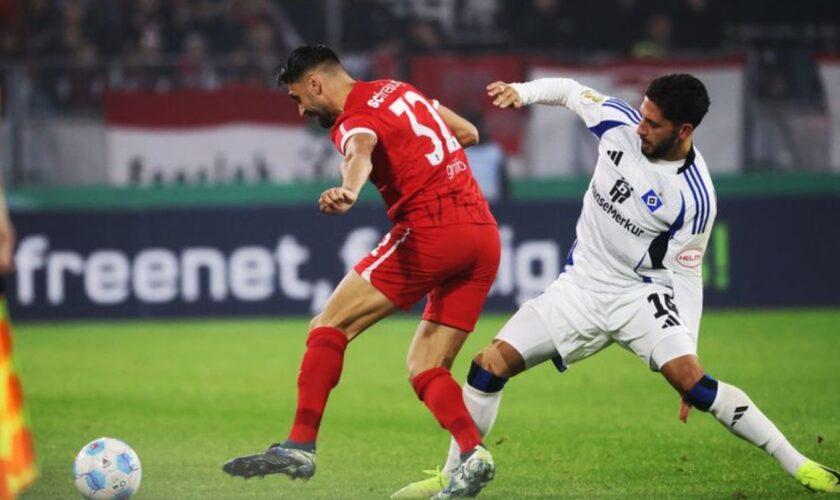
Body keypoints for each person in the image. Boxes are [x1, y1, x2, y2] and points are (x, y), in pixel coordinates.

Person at [392, 74, 840, 498]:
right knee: (487, 366)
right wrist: (522, 92)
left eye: (653, 123)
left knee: (696, 384)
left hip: (639, 296)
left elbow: (686, 273)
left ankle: (798, 464)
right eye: (642, 115)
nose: (640, 127)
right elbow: (570, 91)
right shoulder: (620, 125)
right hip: (580, 288)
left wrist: (689, 347)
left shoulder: (695, 197)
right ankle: (454, 476)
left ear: (684, 130)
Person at [222, 45, 501, 498]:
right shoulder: (400, 90)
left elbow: (360, 149)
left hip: (433, 231)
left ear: (315, 84)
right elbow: (465, 132)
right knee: (425, 366)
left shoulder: (353, 119)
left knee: (328, 326)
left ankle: (300, 444)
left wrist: (350, 190)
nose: (300, 111)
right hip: (483, 235)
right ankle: (474, 453)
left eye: (298, 98)